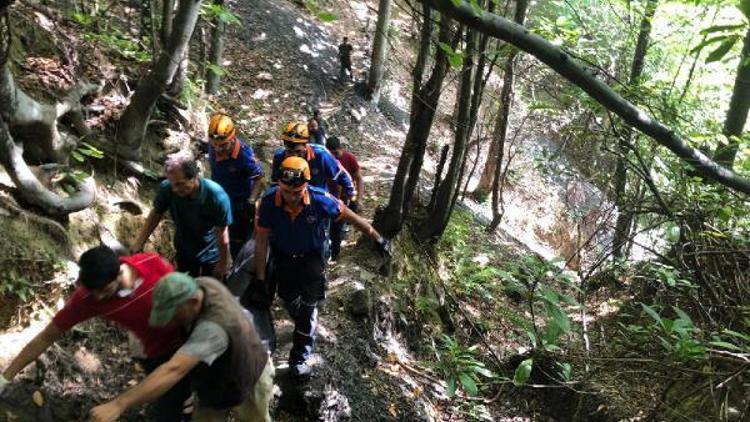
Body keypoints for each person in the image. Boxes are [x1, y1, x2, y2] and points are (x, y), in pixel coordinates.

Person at [0, 246, 190, 421]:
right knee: (168, 410)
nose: (99, 297)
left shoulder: (152, 265)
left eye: (104, 290)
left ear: (119, 273)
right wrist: (5, 378)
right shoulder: (87, 299)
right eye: (93, 292)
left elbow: (189, 299)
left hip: (189, 341)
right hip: (155, 355)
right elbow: (46, 336)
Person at [254, 157, 390, 378]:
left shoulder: (319, 199)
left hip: (312, 257)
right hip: (283, 257)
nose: (292, 198)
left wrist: (378, 238)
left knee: (308, 309)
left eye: (297, 192)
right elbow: (260, 241)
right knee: (288, 299)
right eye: (287, 192)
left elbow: (352, 218)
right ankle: (306, 324)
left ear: (305, 186)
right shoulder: (269, 203)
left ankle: (299, 358)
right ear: (279, 185)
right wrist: (259, 278)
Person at [89, 272, 274, 422]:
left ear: (192, 302)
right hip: (213, 382)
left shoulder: (213, 329)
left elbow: (173, 370)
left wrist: (118, 405)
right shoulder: (202, 284)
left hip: (248, 377)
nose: (170, 321)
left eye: (174, 315)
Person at [131, 155, 232, 280]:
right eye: (172, 184)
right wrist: (139, 243)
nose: (175, 189)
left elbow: (222, 232)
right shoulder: (167, 189)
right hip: (183, 252)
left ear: (194, 177)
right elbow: (156, 214)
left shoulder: (216, 196)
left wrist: (223, 262)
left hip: (211, 256)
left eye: (180, 184)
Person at [207, 113, 265, 258]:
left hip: (239, 206)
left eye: (223, 145)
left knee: (240, 244)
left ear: (233, 137)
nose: (218, 149)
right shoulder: (212, 146)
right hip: (219, 200)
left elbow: (260, 179)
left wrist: (251, 201)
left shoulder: (244, 155)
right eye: (215, 145)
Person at [271, 121, 356, 202]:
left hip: (318, 200)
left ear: (305, 145)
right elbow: (275, 182)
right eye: (289, 151)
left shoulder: (321, 154)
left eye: (298, 151)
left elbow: (340, 173)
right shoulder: (280, 156)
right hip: (292, 201)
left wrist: (351, 194)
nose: (294, 156)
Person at [326, 136, 364, 261]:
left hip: (345, 200)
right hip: (328, 199)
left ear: (340, 148)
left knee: (337, 229)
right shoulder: (325, 159)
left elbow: (359, 179)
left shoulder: (349, 158)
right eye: (332, 154)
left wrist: (358, 199)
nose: (335, 157)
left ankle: (334, 256)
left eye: (336, 153)